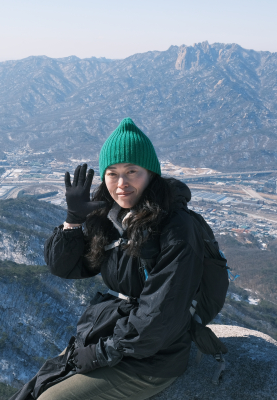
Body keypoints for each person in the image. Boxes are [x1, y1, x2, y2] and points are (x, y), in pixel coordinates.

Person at [12, 117, 204, 400]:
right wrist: (73, 221)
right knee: (33, 390)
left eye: (132, 171)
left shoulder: (176, 228)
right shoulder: (115, 219)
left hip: (153, 357)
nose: (121, 183)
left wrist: (102, 352)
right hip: (120, 335)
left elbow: (162, 313)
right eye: (112, 174)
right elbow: (65, 267)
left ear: (151, 174)